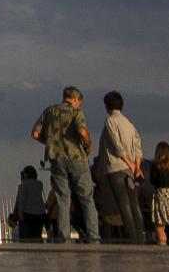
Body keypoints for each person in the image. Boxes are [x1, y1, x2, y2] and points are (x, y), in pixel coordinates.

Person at [32, 85, 100, 243]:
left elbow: (35, 133)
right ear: (75, 99)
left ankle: (64, 237)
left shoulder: (49, 111)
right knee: (86, 198)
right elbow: (82, 131)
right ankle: (93, 236)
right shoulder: (76, 112)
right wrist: (88, 145)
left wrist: (49, 143)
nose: (79, 105)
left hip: (56, 159)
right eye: (79, 102)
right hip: (76, 157)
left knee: (62, 199)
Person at [97, 91, 144, 243]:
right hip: (130, 170)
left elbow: (116, 145)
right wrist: (136, 165)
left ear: (107, 105)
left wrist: (127, 162)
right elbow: (137, 145)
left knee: (124, 205)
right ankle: (140, 236)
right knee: (134, 204)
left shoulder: (110, 121)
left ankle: (132, 238)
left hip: (116, 167)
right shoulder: (129, 123)